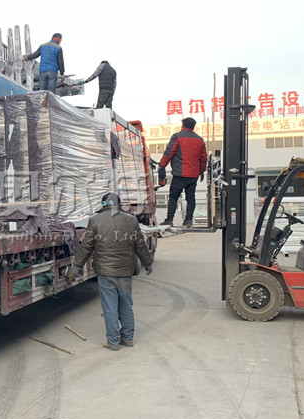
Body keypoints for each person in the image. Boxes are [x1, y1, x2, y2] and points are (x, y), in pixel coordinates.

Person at [67, 192, 154, 350]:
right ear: (119, 204)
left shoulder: (95, 220)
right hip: (125, 271)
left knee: (110, 306)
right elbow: (140, 245)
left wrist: (77, 266)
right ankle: (127, 338)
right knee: (126, 304)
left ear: (103, 205)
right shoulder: (131, 220)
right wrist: (147, 263)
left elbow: (86, 246)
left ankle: (113, 341)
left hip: (105, 272)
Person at [159, 117, 207, 227]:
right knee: (190, 197)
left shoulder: (177, 137)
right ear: (193, 126)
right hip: (193, 175)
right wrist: (201, 171)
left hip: (179, 174)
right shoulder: (200, 140)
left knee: (174, 196)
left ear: (183, 125)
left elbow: (169, 152)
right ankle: (188, 220)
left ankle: (169, 219)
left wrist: (162, 165)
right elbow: (203, 158)